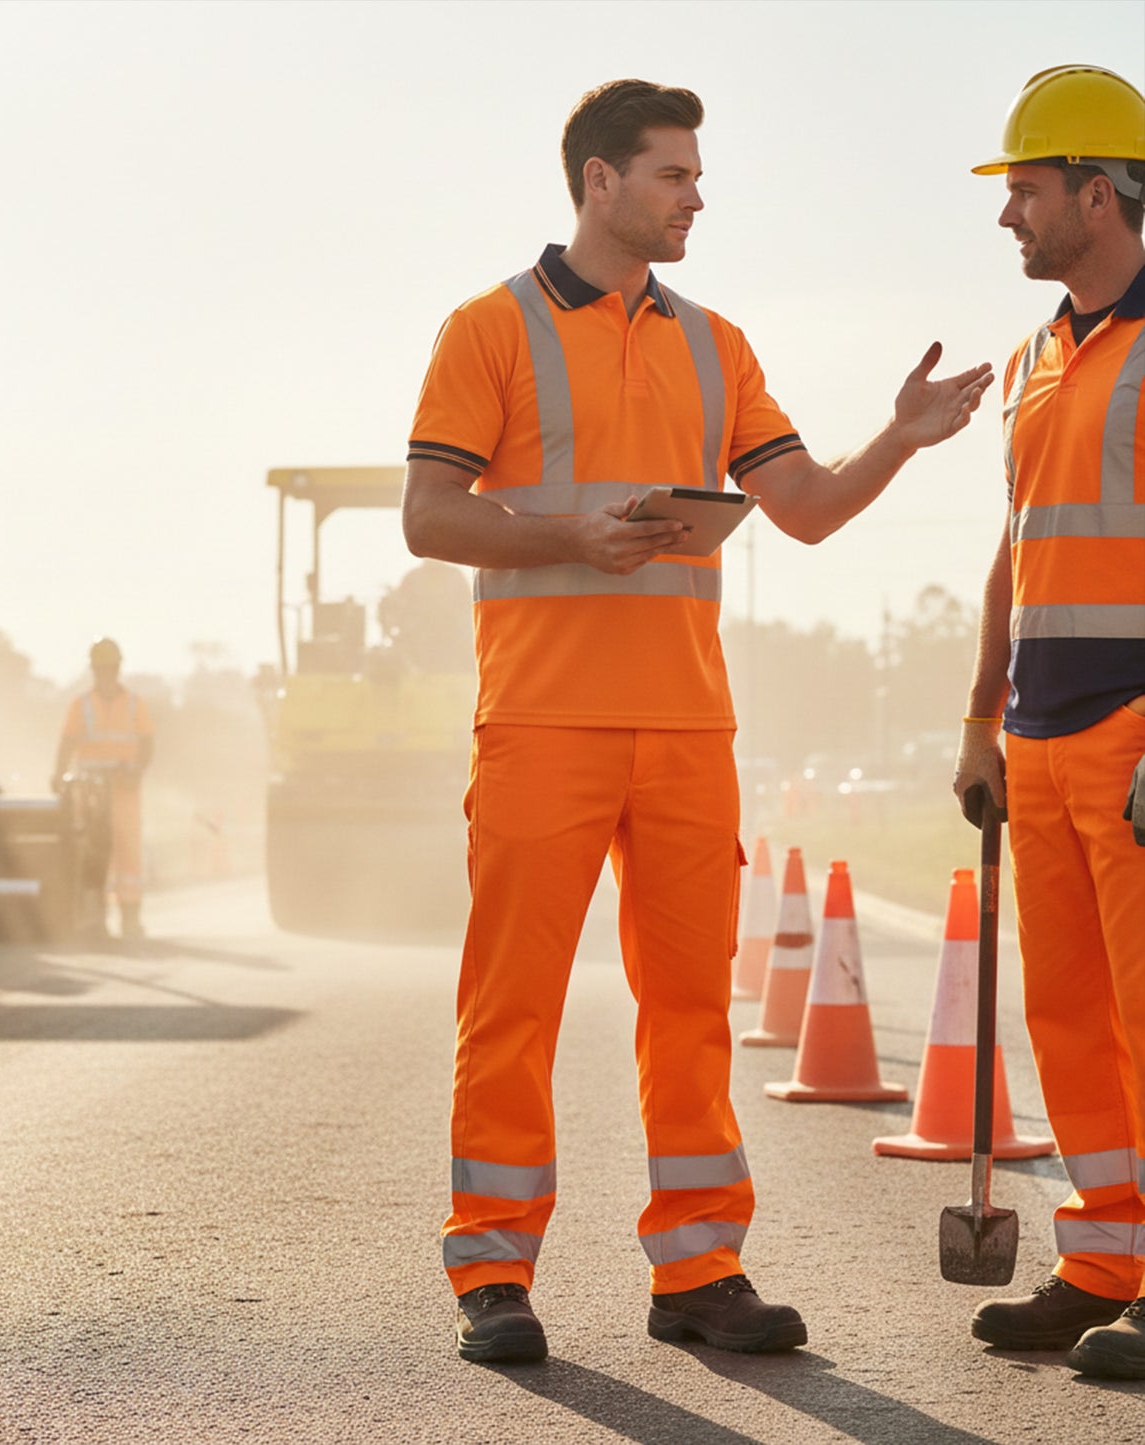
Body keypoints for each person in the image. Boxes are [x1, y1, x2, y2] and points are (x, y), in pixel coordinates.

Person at [403, 78, 993, 1366]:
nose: (694, 195)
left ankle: (699, 1269)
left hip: (685, 730)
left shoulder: (715, 343)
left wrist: (898, 435)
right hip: (540, 723)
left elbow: (809, 506)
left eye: (695, 174)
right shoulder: (484, 329)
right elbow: (428, 517)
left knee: (688, 1008)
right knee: (511, 1004)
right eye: (671, 174)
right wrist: (567, 534)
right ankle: (492, 1270)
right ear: (598, 181)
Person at [953, 64, 1145, 1380]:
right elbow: (1017, 544)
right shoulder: (1032, 356)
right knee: (1071, 1018)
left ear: (1096, 190)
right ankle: (1104, 1257)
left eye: (1024, 190)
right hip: (1042, 737)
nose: (1007, 216)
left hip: (1135, 728)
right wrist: (979, 719)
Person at [52, 637, 155, 940]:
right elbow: (67, 742)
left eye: (109, 668)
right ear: (94, 670)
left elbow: (147, 743)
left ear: (118, 668)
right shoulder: (80, 706)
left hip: (124, 791)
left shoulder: (135, 705)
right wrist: (58, 774)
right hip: (91, 793)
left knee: (129, 855)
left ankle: (130, 922)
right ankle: (93, 922)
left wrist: (137, 771)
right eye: (101, 669)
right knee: (93, 856)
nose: (105, 674)